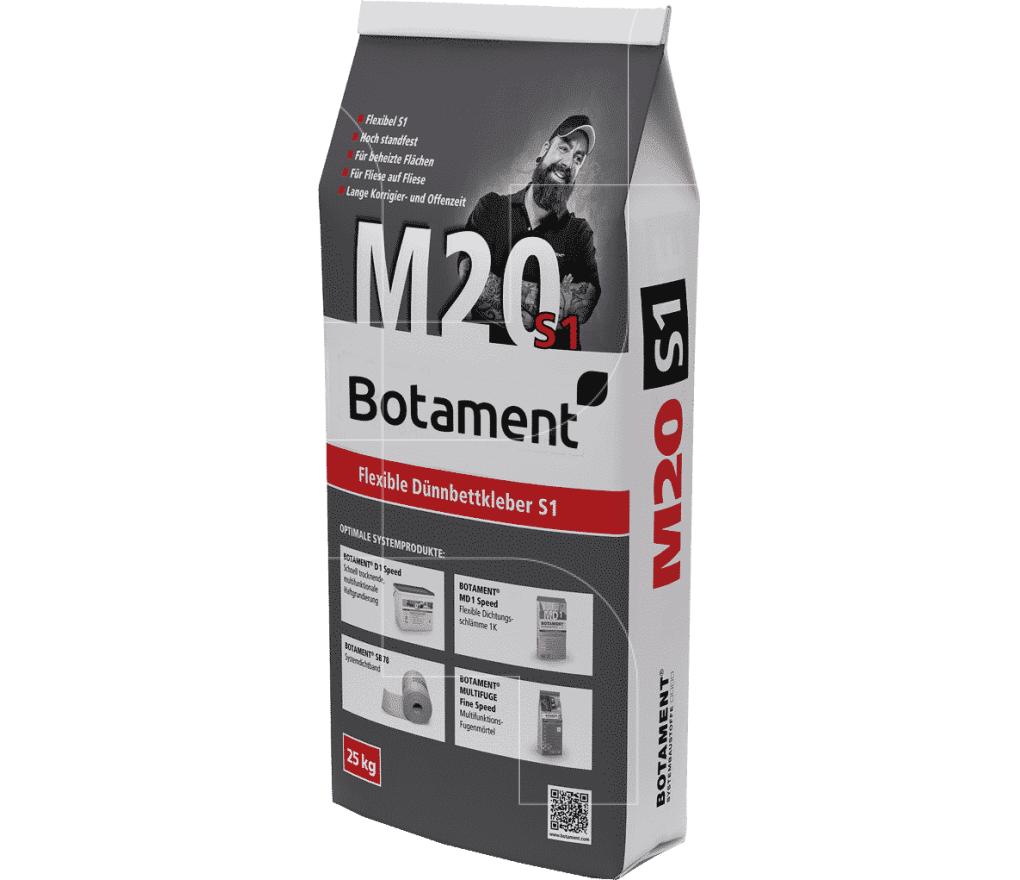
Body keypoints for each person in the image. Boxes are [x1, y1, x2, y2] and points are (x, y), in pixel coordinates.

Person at [458, 115, 601, 350]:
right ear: (544, 150)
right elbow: (470, 284)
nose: (568, 163)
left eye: (578, 158)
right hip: (484, 358)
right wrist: (553, 298)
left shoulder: (579, 234)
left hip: (551, 367)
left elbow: (584, 306)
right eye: (564, 148)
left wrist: (497, 285)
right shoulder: (491, 209)